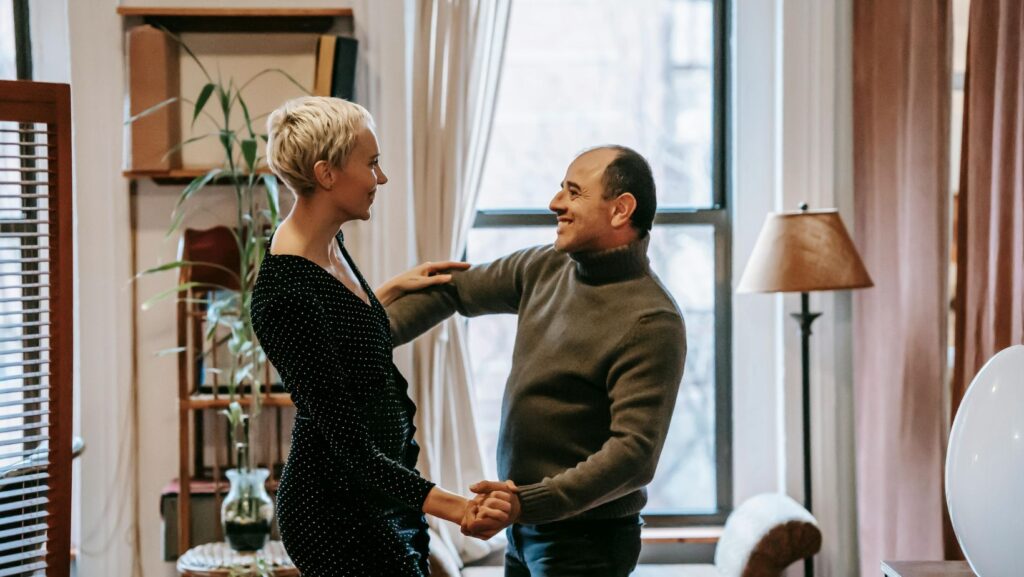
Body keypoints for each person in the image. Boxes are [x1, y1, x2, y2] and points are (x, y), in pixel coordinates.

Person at [387, 145, 688, 576]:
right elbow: (454, 289)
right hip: (524, 531)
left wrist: (526, 503)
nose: (555, 203)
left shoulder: (651, 320)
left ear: (621, 210)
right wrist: (363, 339)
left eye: (573, 192)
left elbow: (634, 455)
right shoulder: (544, 266)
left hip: (587, 544)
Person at [250, 96, 513, 577]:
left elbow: (336, 326)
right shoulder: (283, 295)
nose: (381, 178)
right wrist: (457, 509)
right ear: (327, 173)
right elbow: (350, 450)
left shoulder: (328, 245)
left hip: (376, 492)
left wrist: (389, 289)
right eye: (371, 164)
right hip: (335, 511)